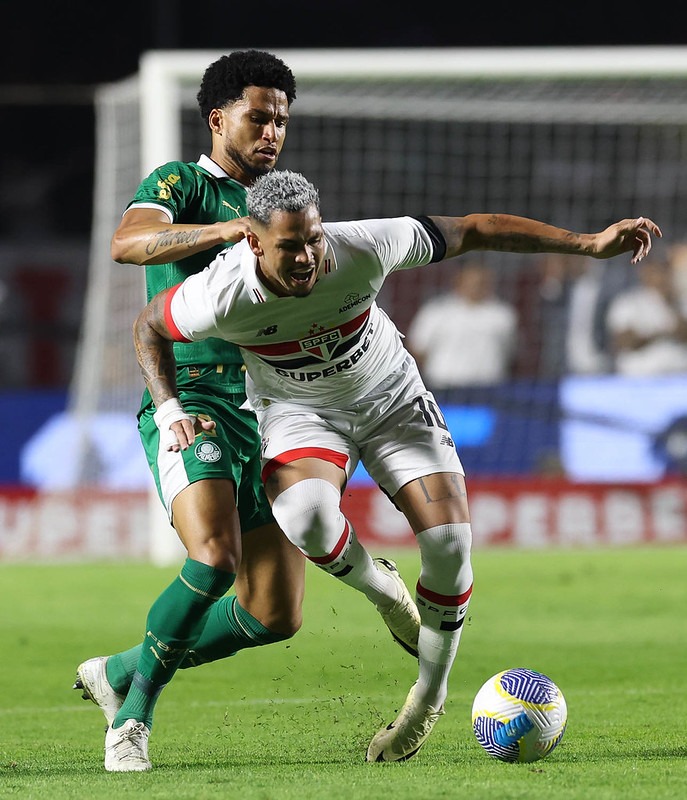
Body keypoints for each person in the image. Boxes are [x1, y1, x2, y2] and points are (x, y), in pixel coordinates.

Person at [132, 169, 660, 763]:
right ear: (254, 242)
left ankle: (425, 702)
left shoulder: (364, 244)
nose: (308, 257)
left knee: (451, 543)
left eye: (313, 239)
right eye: (290, 246)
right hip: (301, 412)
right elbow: (148, 326)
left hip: (391, 399)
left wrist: (587, 243)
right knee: (304, 516)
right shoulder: (220, 294)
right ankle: (383, 589)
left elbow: (476, 229)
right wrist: (170, 405)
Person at [74, 52, 422, 773]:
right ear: (218, 118)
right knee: (213, 559)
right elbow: (127, 243)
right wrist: (222, 235)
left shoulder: (286, 211)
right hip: (193, 401)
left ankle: (118, 672)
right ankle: (131, 722)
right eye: (258, 117)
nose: (271, 132)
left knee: (273, 615)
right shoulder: (182, 184)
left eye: (281, 121)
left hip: (272, 409)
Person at [405, 259, 517, 389]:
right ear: (459, 281)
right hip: (443, 386)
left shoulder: (503, 314)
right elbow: (417, 347)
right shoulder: (437, 311)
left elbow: (509, 350)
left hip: (488, 388)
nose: (476, 286)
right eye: (472, 281)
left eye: (481, 282)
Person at [605, 253, 687, 375]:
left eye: (665, 271)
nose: (661, 276)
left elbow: (684, 334)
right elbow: (626, 342)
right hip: (640, 378)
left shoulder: (680, 301)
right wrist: (660, 333)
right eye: (656, 271)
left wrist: (670, 303)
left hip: (678, 377)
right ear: (644, 273)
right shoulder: (628, 302)